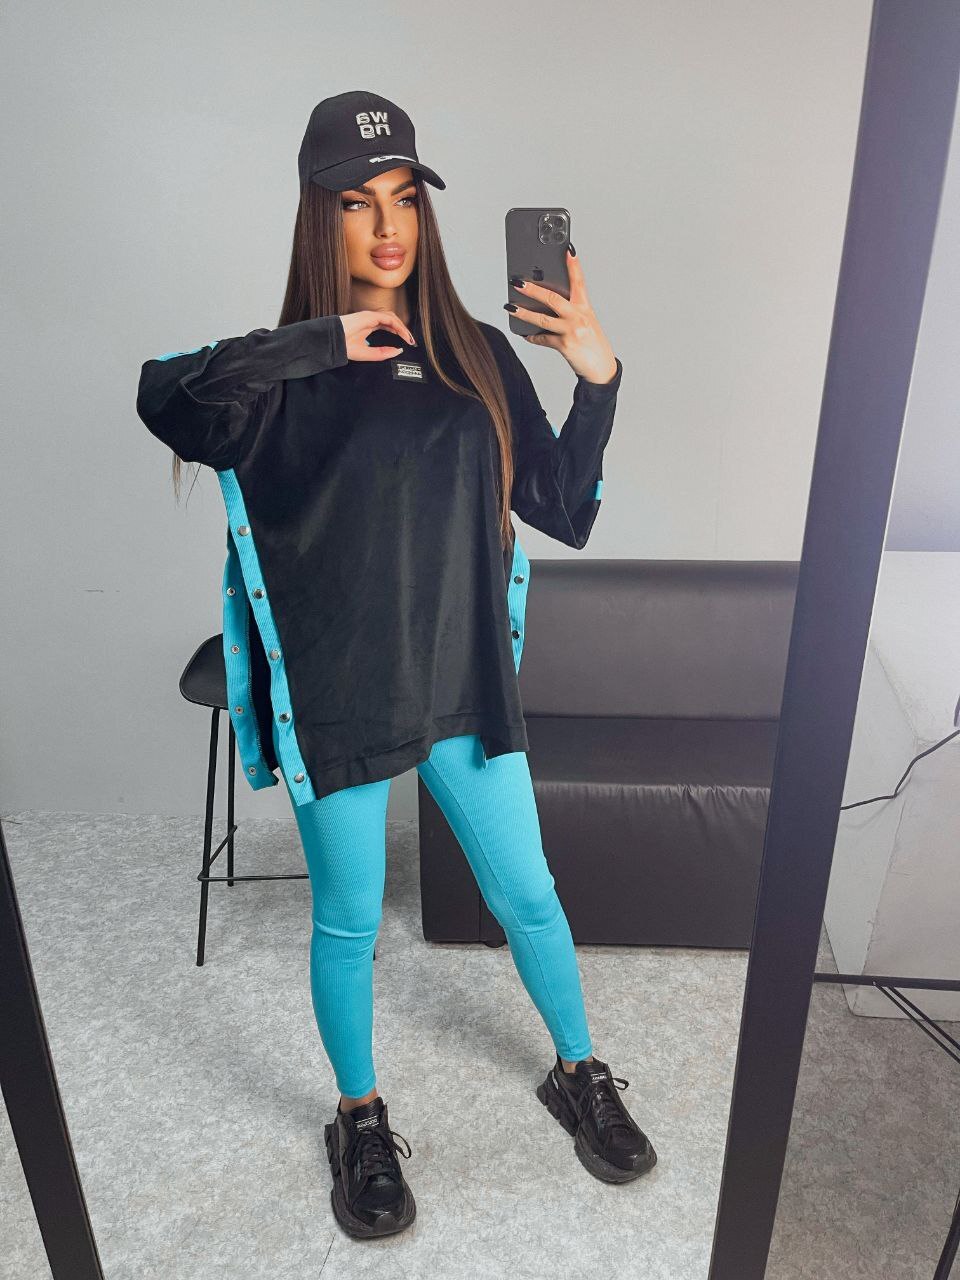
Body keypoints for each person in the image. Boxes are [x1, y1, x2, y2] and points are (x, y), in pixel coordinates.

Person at [136, 89, 656, 1241]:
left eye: (406, 197)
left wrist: (598, 379)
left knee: (529, 892)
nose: (387, 225)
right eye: (357, 202)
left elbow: (563, 508)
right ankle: (360, 1114)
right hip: (341, 691)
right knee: (350, 921)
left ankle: (579, 1068)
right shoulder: (273, 379)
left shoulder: (475, 352)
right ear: (317, 215)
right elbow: (160, 393)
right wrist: (324, 340)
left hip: (463, 679)